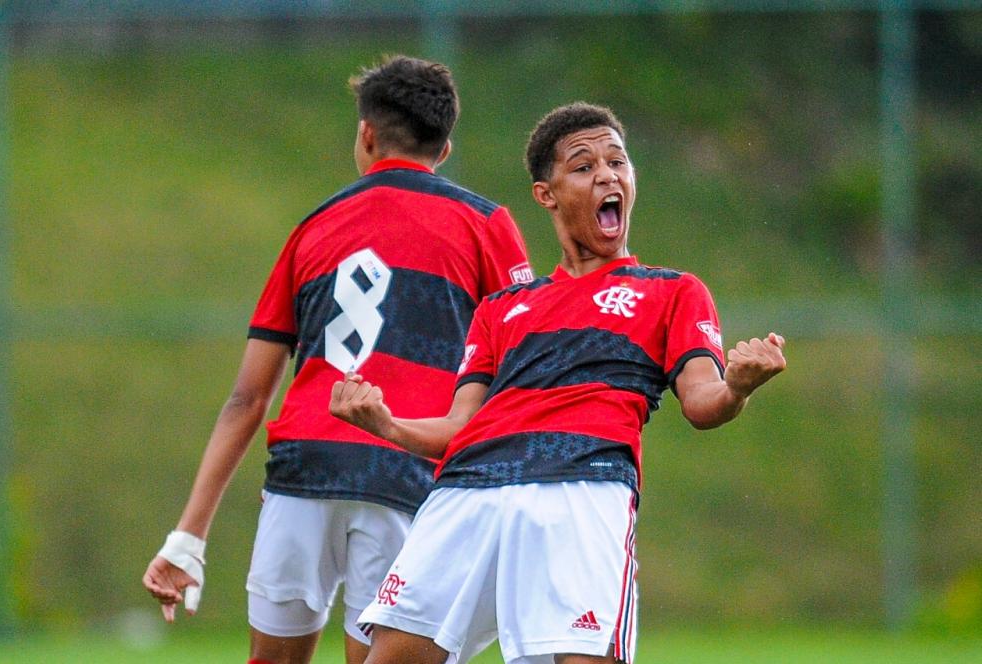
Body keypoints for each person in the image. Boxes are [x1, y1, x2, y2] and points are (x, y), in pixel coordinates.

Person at [329, 102, 787, 664]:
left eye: (618, 162)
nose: (607, 175)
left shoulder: (671, 291)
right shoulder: (502, 308)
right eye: (583, 165)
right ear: (546, 194)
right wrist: (387, 424)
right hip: (467, 491)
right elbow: (459, 427)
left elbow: (703, 402)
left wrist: (738, 386)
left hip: (581, 485)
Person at [142, 55, 532, 664]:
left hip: (305, 470)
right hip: (407, 474)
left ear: (367, 134)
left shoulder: (311, 228)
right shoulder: (487, 225)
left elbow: (248, 397)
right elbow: (520, 370)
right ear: (446, 148)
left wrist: (188, 536)